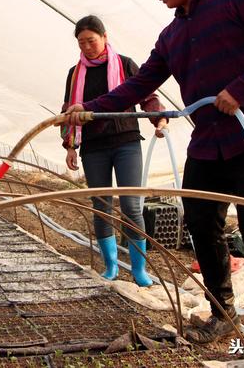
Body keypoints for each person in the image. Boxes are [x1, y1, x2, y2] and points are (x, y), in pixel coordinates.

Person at [65, 0, 244, 354]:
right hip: (208, 141)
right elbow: (140, 84)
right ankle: (221, 313)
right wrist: (92, 110)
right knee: (201, 221)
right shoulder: (173, 34)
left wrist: (240, 91)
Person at [61, 15, 167, 287]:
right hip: (94, 147)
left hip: (126, 141)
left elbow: (148, 96)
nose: (86, 47)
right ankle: (110, 267)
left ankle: (139, 270)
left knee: (132, 206)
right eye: (81, 42)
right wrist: (71, 146)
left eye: (91, 40)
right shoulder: (75, 75)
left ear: (105, 37)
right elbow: (67, 113)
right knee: (102, 206)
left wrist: (159, 118)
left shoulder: (124, 64)